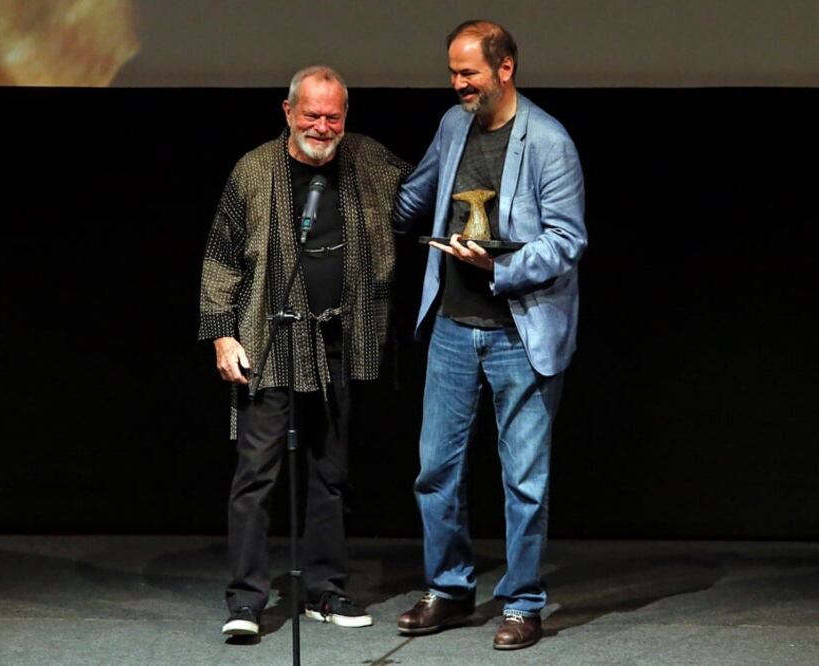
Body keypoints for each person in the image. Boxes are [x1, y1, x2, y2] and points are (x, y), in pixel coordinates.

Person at [393, 21, 587, 650]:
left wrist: (497, 266)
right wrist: (360, 200)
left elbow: (567, 240)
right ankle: (449, 589)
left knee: (524, 478)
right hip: (452, 325)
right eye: (452, 72)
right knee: (434, 470)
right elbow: (418, 192)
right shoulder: (454, 126)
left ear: (505, 68)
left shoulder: (549, 142)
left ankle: (524, 602)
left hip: (519, 332)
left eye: (468, 72)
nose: (458, 84)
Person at [198, 65, 410, 638]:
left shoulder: (368, 160)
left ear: (346, 116)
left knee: (331, 474)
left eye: (333, 115)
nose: (322, 125)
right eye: (311, 114)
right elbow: (220, 258)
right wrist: (222, 333)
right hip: (268, 341)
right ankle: (246, 600)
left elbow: (422, 192)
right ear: (287, 111)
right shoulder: (254, 169)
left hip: (339, 340)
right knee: (256, 476)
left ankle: (324, 588)